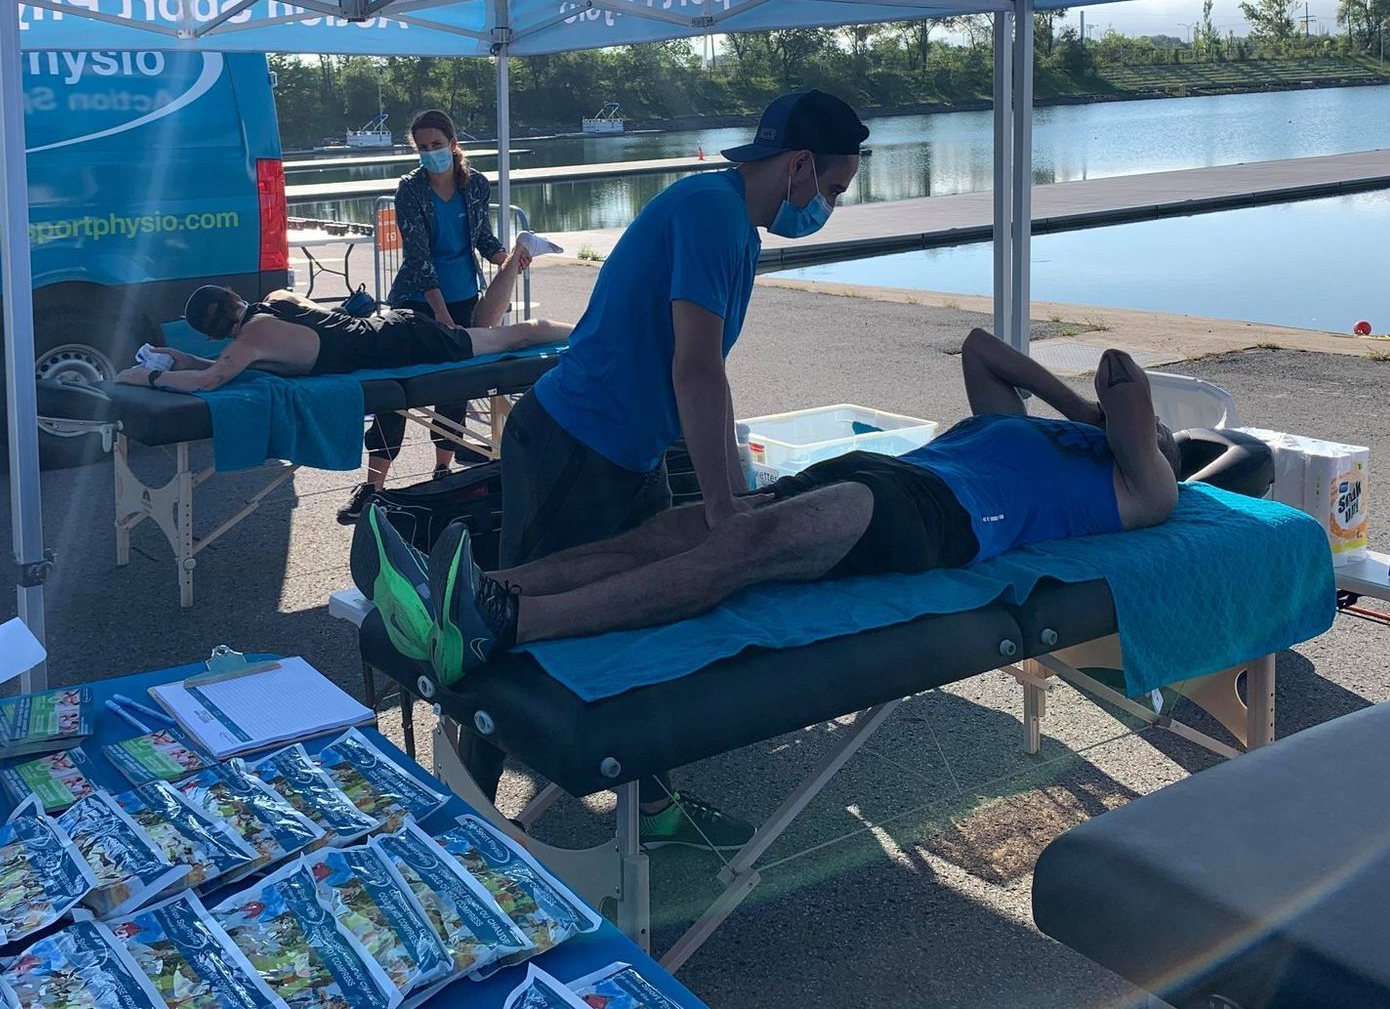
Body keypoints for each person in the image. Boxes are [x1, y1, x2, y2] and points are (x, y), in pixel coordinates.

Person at [438, 89, 868, 851]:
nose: (826, 207)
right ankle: (464, 815)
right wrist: (723, 508)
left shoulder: (730, 220)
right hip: (574, 444)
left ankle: (657, 811)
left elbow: (706, 377)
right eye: (831, 189)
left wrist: (733, 489)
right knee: (512, 631)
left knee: (640, 616)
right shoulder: (712, 215)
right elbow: (695, 368)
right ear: (799, 165)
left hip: (625, 449)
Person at [363, 335, 1180, 686]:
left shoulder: (1144, 491)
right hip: (883, 473)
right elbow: (979, 349)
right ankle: (476, 592)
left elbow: (1124, 378)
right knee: (680, 527)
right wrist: (1076, 413)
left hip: (940, 519)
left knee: (747, 545)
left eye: (1158, 439)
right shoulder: (1040, 435)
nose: (1152, 435)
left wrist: (1109, 422)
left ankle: (505, 625)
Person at [362, 110, 525, 500]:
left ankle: (442, 471)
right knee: (397, 392)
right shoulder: (410, 190)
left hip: (464, 295)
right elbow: (419, 258)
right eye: (422, 148)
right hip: (416, 302)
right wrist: (441, 315)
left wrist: (509, 260)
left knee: (454, 389)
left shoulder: (476, 185)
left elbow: (483, 239)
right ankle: (372, 486)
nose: (430, 153)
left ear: (453, 144)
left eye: (436, 144)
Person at [112, 271, 567, 393]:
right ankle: (581, 329)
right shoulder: (279, 298)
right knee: (505, 336)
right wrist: (185, 362)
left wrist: (150, 375)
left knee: (513, 337)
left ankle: (586, 331)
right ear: (235, 298)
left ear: (214, 336)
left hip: (405, 343)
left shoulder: (247, 344)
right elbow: (223, 366)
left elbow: (211, 380)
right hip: (394, 325)